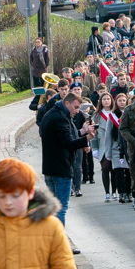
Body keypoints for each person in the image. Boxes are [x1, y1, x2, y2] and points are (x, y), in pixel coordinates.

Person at [39, 91, 96, 229]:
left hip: (50, 168)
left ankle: (53, 241)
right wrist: (86, 139)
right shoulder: (60, 118)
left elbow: (67, 135)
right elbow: (68, 143)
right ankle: (59, 243)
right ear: (66, 103)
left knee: (53, 208)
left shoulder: (55, 114)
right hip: (61, 169)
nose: (77, 111)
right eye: (75, 107)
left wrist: (82, 131)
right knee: (60, 208)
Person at [91, 91, 117, 201]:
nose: (106, 101)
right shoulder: (96, 115)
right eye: (104, 99)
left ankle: (115, 192)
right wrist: (95, 148)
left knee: (115, 170)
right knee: (105, 169)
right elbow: (93, 134)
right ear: (101, 101)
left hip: (114, 146)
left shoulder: (115, 113)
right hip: (102, 146)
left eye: (108, 99)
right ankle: (107, 192)